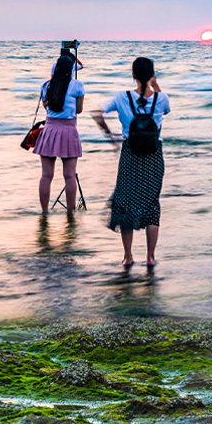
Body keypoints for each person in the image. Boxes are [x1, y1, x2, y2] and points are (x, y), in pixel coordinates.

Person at [92, 57, 170, 267]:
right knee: (152, 205)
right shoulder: (161, 98)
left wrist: (111, 136)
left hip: (130, 154)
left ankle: (128, 257)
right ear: (152, 74)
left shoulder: (121, 97)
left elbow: (96, 113)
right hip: (154, 156)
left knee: (125, 203)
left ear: (133, 75)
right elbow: (166, 109)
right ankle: (150, 257)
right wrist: (154, 84)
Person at [34, 54, 85, 215]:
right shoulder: (77, 86)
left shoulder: (46, 86)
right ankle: (70, 213)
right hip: (68, 131)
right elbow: (78, 110)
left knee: (46, 175)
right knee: (69, 175)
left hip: (49, 130)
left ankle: (44, 212)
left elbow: (46, 107)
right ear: (71, 70)